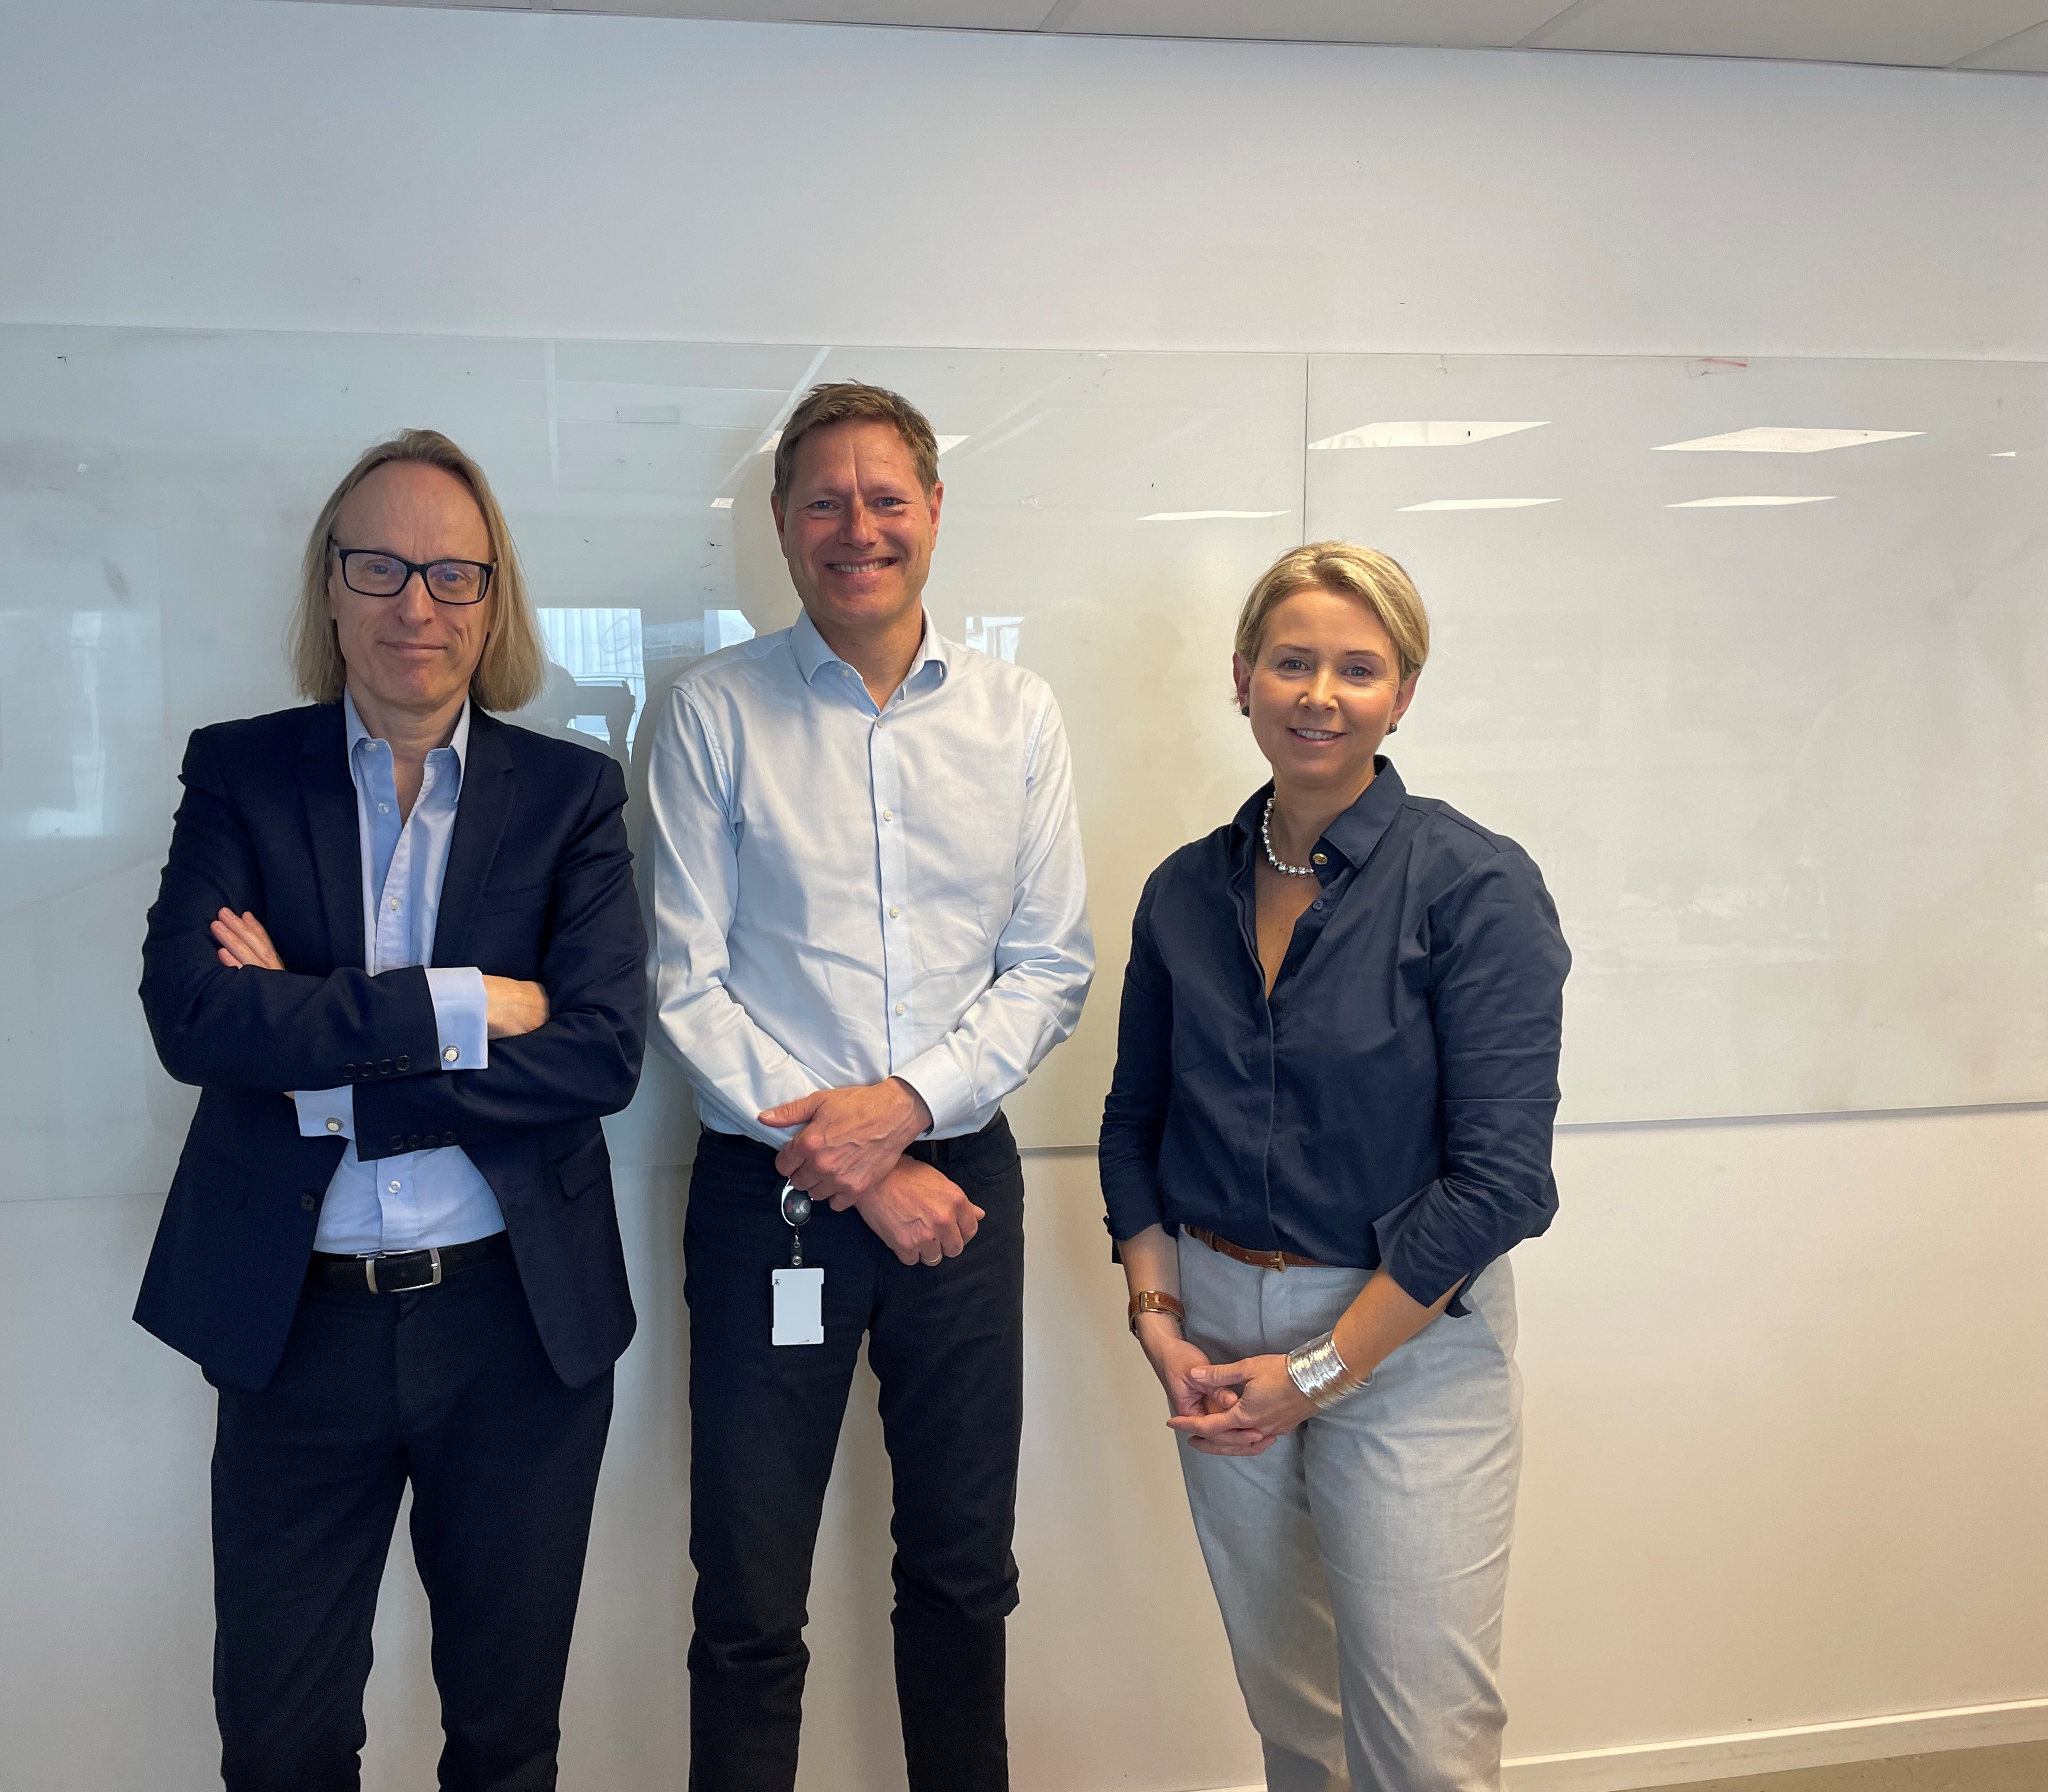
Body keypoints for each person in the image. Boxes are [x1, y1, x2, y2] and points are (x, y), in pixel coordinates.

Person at [135, 430, 647, 1792]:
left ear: (493, 598)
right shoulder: (242, 774)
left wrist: (322, 1056)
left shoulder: (573, 797)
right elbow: (193, 1019)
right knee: (282, 1744)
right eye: (380, 567)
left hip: (515, 1327)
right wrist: (466, 1005)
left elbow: (602, 1055)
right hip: (294, 1324)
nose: (416, 604)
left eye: (452, 573)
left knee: (505, 1741)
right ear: (329, 584)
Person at [647, 382, 1095, 1792]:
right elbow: (685, 982)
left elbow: (1051, 965)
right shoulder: (711, 714)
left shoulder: (1018, 716)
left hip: (962, 1195)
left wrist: (902, 1118)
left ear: (935, 512)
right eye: (826, 503)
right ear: (783, 525)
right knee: (747, 1597)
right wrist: (863, 1163)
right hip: (765, 1197)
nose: (860, 529)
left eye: (887, 498)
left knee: (963, 1574)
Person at [1099, 542, 1569, 1792]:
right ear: (1241, 678)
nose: (1320, 694)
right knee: (1296, 1720)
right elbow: (1134, 1123)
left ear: (1402, 695)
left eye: (1359, 669)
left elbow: (1502, 1181)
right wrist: (1158, 1318)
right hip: (1212, 1328)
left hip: (1409, 1338)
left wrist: (1318, 1371)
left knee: (1422, 1744)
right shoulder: (1184, 890)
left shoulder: (1474, 884)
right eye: (1291, 662)